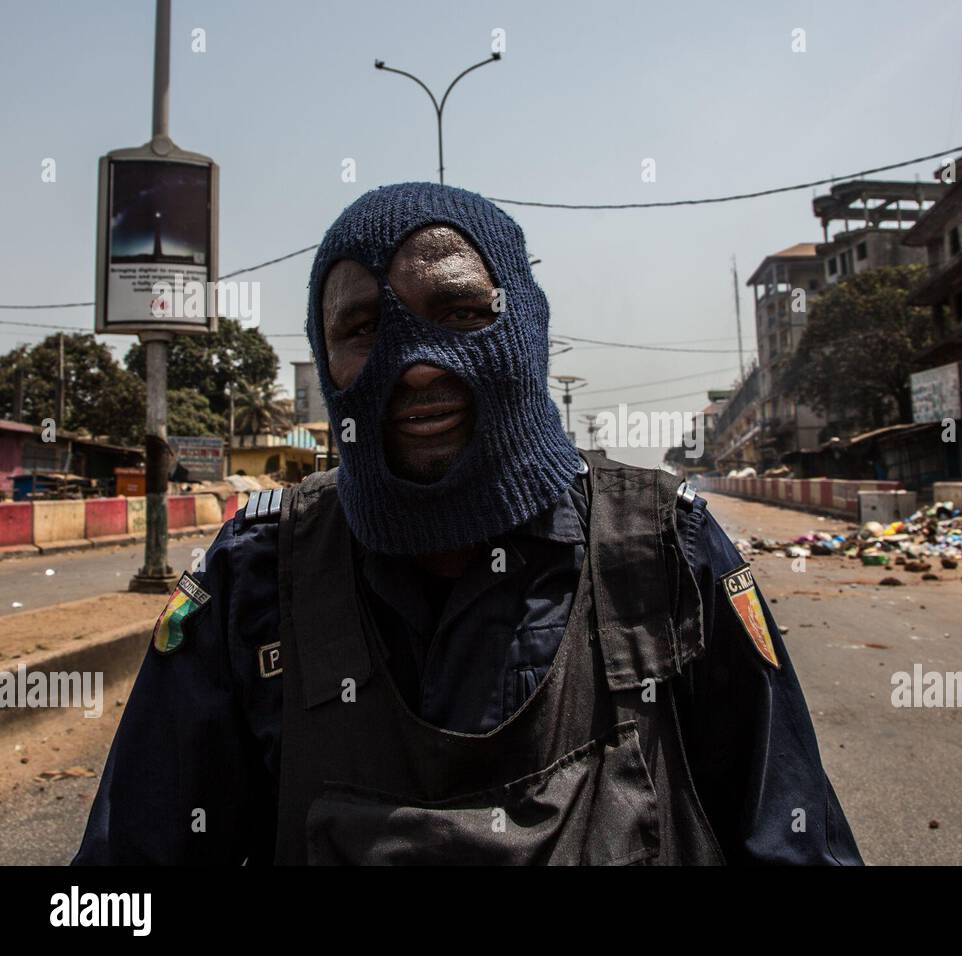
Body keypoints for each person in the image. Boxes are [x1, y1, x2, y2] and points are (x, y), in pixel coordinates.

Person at [73, 183, 861, 865]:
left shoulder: (664, 550)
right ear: (324, 353)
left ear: (526, 325)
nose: (414, 362)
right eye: (364, 329)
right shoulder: (255, 578)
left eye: (456, 311)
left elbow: (788, 838)